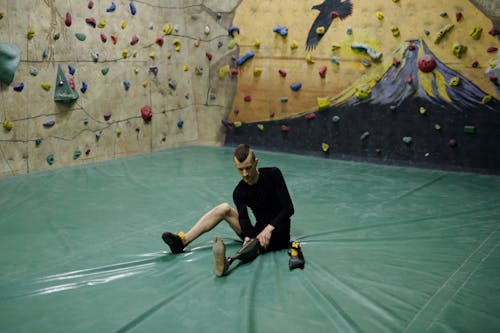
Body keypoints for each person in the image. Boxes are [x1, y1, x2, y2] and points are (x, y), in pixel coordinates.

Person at [161, 143, 296, 276]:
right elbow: (243, 217)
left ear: (256, 163)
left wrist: (269, 228)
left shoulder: (273, 174)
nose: (245, 174)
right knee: (223, 208)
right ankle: (181, 242)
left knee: (260, 241)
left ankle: (229, 261)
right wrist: (248, 236)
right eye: (240, 169)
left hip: (279, 233)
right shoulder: (239, 191)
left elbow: (288, 208)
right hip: (257, 233)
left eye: (248, 168)